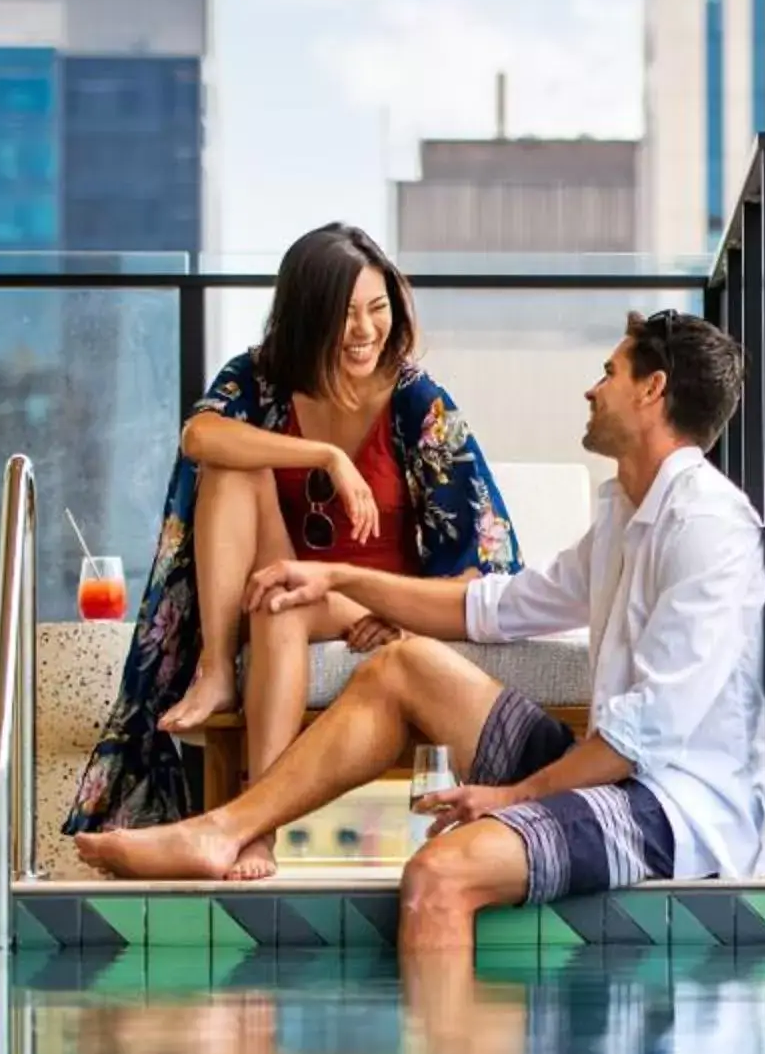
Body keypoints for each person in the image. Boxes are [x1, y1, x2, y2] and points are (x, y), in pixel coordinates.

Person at [75, 310, 765, 946]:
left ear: (654, 391)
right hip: (606, 778)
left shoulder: (705, 525)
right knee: (402, 665)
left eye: (610, 373)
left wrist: (511, 797)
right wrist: (337, 578)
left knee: (438, 875)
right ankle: (225, 830)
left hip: (669, 813)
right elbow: (493, 607)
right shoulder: (624, 513)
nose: (592, 390)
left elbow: (642, 735)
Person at [62, 223, 524, 879]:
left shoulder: (418, 400)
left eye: (377, 308)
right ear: (306, 315)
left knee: (280, 597)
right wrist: (325, 455)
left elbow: (486, 552)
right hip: (283, 574)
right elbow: (199, 435)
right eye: (344, 314)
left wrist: (407, 613)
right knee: (233, 471)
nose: (365, 330)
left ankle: (254, 829)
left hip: (367, 595)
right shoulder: (263, 377)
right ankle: (220, 672)